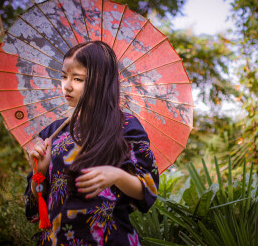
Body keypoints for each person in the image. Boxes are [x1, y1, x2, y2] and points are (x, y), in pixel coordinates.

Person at [24, 41, 159, 246]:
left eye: (77, 79)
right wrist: (39, 173)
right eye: (64, 76)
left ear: (100, 81)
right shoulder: (52, 133)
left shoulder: (125, 127)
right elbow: (36, 204)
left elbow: (148, 188)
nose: (66, 85)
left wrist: (117, 175)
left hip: (108, 239)